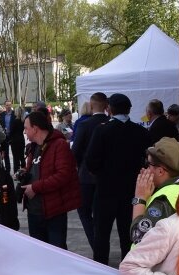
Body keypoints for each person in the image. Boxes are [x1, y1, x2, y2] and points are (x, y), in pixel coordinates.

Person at [85, 93, 150, 266]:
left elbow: (90, 161)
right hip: (130, 191)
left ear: (109, 109)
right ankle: (129, 269)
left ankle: (100, 269)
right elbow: (147, 162)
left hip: (105, 190)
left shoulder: (102, 130)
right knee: (127, 235)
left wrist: (101, 174)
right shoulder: (141, 132)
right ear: (129, 109)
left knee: (101, 235)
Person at [20, 110, 81, 249]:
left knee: (56, 252)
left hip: (53, 211)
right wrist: (25, 173)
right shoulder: (34, 147)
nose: (25, 132)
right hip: (34, 211)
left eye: (26, 128)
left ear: (35, 129)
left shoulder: (59, 145)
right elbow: (38, 169)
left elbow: (63, 175)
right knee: (39, 253)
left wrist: (35, 187)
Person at [130, 137, 179, 245]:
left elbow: (138, 236)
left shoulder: (163, 198)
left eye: (148, 164)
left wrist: (140, 198)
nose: (146, 169)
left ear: (160, 171)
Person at [71, 92, 109, 249]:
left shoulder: (85, 125)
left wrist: (80, 166)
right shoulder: (110, 123)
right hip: (106, 177)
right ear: (106, 106)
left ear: (92, 105)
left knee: (84, 211)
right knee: (102, 214)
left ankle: (96, 243)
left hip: (86, 176)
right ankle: (100, 242)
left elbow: (76, 151)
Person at [0, 99, 15, 173]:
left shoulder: (14, 114)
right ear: (4, 106)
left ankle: (15, 170)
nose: (8, 106)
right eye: (7, 105)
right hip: (4, 137)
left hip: (12, 136)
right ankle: (7, 170)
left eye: (9, 105)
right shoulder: (2, 115)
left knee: (15, 154)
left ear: (11, 105)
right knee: (6, 154)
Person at [10, 106, 26, 172]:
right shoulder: (23, 121)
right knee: (22, 156)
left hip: (15, 140)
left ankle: (16, 172)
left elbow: (11, 132)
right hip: (21, 139)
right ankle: (23, 170)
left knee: (16, 158)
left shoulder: (15, 121)